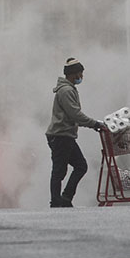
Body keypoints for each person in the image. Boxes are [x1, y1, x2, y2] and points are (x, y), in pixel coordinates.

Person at [45, 57, 105, 208]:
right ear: (74, 74)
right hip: (61, 136)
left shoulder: (69, 89)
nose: (81, 77)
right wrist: (94, 124)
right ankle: (57, 201)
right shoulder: (66, 91)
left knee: (80, 166)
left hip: (66, 136)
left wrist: (93, 124)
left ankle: (65, 198)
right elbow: (75, 114)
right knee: (60, 170)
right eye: (80, 73)